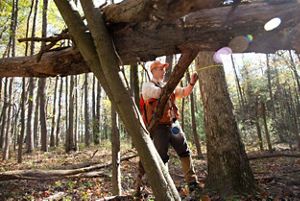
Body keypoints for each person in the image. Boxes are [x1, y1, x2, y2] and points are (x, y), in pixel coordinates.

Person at [136, 60, 200, 193]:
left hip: (173, 124)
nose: (164, 71)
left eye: (164, 69)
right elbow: (158, 93)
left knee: (184, 151)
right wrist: (173, 83)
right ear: (153, 71)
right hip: (158, 127)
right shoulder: (147, 87)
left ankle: (192, 182)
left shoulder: (167, 85)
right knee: (162, 157)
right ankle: (165, 186)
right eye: (161, 69)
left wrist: (192, 83)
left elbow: (183, 92)